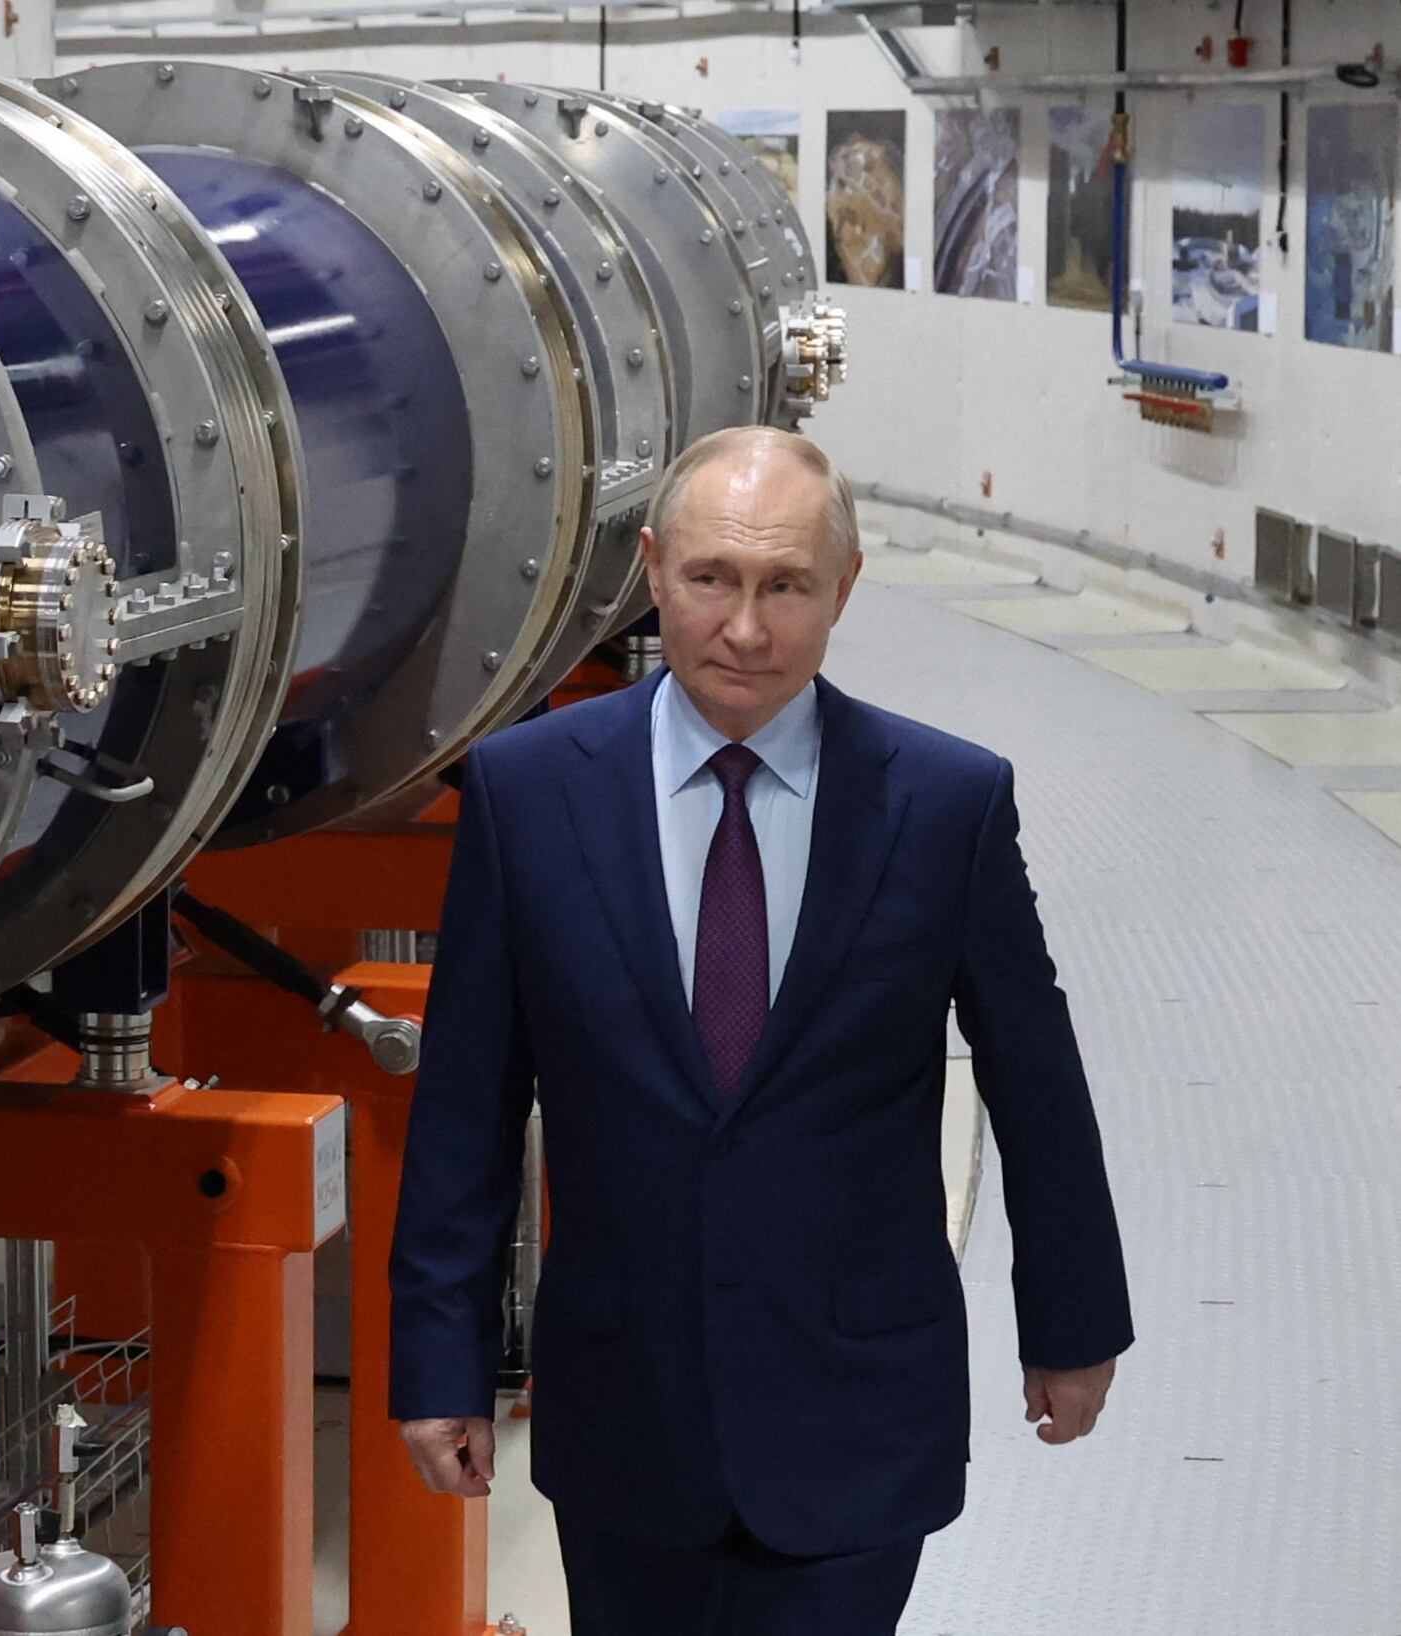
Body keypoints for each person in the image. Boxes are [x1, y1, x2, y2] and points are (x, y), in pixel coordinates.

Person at [387, 426, 1133, 1634]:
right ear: (651, 570)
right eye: (711, 580)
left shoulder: (944, 804)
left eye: (785, 586)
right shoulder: (529, 793)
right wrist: (439, 1358)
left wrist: (1072, 1321)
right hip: (625, 1401)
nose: (745, 628)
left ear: (843, 586)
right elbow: (469, 1096)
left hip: (853, 1404)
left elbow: (1034, 1078)